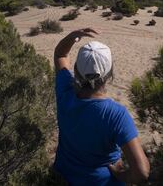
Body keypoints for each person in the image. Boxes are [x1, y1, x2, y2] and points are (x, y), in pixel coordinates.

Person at [53, 28, 150, 185]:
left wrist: (73, 37)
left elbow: (60, 55)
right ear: (110, 73)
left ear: (76, 70)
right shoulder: (116, 114)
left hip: (64, 176)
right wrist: (122, 175)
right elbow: (142, 172)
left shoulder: (65, 91)